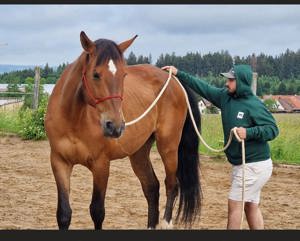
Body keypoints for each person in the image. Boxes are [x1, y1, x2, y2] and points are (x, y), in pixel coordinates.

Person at [161, 64, 279, 229]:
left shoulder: (254, 105)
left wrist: (249, 132)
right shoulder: (226, 97)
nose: (226, 83)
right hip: (245, 165)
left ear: (242, 82)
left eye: (231, 80)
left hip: (254, 166)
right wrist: (179, 73)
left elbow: (273, 129)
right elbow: (203, 88)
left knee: (234, 206)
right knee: (251, 206)